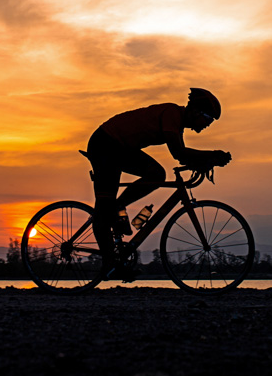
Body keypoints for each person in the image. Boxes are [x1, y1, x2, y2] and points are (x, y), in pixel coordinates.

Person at [84, 88, 231, 280]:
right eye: (208, 119)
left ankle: (116, 210)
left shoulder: (177, 124)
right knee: (105, 208)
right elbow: (179, 153)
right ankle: (110, 262)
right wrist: (212, 155)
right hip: (105, 144)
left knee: (155, 174)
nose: (207, 125)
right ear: (195, 111)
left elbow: (183, 155)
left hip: (120, 147)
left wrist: (207, 159)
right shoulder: (172, 114)